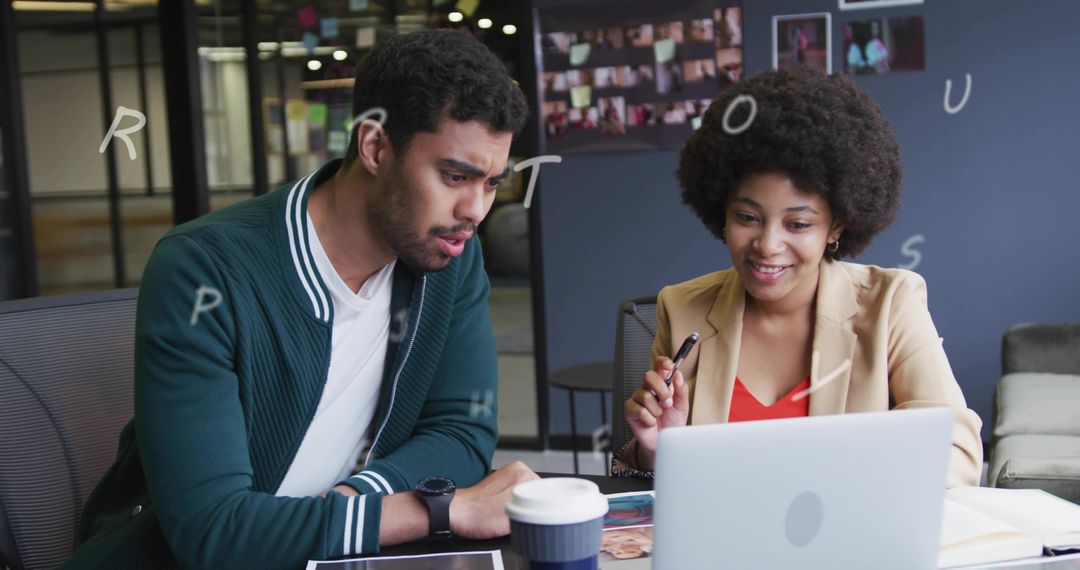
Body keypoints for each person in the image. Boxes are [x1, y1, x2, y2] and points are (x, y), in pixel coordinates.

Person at [67, 30, 538, 569]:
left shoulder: (449, 257)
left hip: (334, 556)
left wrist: (356, 504)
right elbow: (214, 531)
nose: (475, 210)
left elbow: (462, 429)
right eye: (455, 176)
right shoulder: (203, 271)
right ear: (375, 147)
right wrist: (436, 509)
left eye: (492, 183)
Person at [612, 67, 983, 488]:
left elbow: (958, 454)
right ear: (722, 212)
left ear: (836, 227)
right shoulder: (682, 309)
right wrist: (656, 450)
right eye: (748, 217)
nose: (767, 245)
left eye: (798, 224)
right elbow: (643, 484)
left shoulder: (891, 305)